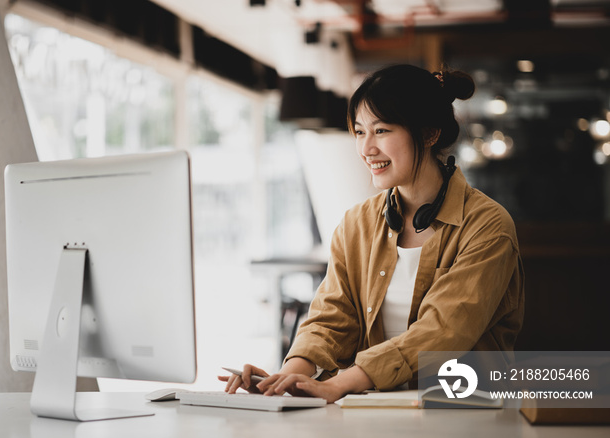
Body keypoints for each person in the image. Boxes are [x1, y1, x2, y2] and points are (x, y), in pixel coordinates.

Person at [220, 64, 524, 403]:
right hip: (374, 413)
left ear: (428, 133)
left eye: (381, 131)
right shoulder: (357, 224)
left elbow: (443, 331)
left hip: (464, 412)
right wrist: (289, 376)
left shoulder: (488, 226)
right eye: (360, 132)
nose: (366, 149)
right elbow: (330, 319)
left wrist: (342, 383)